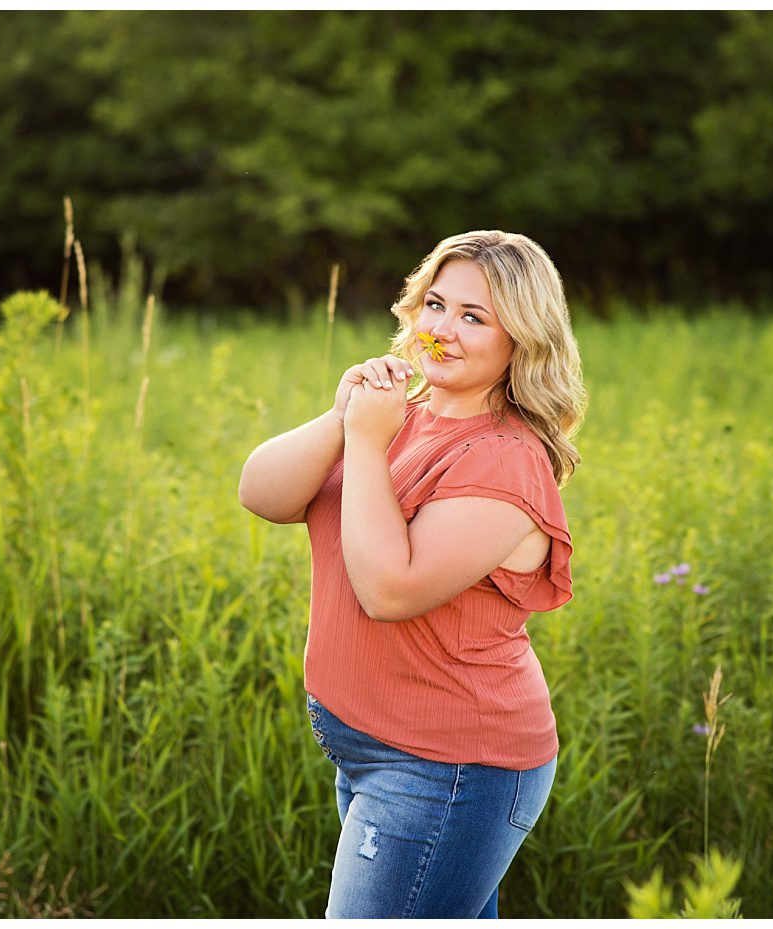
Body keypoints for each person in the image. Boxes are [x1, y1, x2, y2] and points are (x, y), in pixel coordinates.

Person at [237, 230, 587, 918]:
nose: (441, 330)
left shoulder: (505, 459)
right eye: (434, 303)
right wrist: (343, 417)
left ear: (521, 340)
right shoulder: (402, 414)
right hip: (373, 751)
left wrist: (366, 440)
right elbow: (262, 492)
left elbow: (388, 589)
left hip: (447, 767)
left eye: (473, 317)